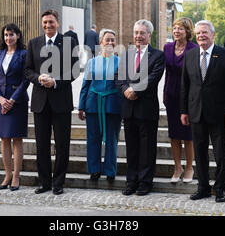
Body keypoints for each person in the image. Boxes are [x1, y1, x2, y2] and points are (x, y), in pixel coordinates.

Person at [180, 20, 225, 203]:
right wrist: (184, 111)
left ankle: (220, 188)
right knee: (200, 153)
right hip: (196, 112)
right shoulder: (189, 55)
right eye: (198, 33)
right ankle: (203, 187)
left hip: (220, 114)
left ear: (213, 35)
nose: (201, 36)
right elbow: (185, 85)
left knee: (222, 154)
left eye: (204, 32)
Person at [25, 9, 79, 195]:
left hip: (61, 100)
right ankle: (44, 182)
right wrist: (39, 78)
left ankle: (58, 183)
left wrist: (55, 82)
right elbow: (28, 70)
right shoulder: (34, 43)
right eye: (45, 22)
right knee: (41, 144)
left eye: (51, 22)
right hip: (40, 102)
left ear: (58, 23)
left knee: (62, 144)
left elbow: (74, 71)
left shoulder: (68, 42)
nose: (48, 25)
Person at [115, 20, 165, 196]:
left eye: (142, 33)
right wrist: (125, 90)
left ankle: (145, 182)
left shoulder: (158, 56)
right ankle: (131, 181)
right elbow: (118, 77)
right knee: (132, 148)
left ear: (149, 35)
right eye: (136, 33)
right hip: (128, 109)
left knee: (147, 148)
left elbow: (153, 78)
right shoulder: (126, 55)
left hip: (146, 109)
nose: (138, 36)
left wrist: (135, 90)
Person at [78, 29, 122, 182]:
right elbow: (85, 85)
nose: (110, 43)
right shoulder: (91, 62)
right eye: (107, 40)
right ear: (100, 43)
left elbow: (124, 85)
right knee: (93, 138)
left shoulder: (120, 62)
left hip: (113, 104)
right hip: (93, 104)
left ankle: (110, 170)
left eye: (112, 40)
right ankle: (94, 169)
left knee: (112, 139)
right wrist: (81, 106)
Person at [0, 23, 30, 191]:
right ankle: (7, 174)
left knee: (17, 139)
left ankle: (16, 176)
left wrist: (12, 100)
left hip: (17, 101)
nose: (8, 38)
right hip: (1, 102)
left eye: (11, 35)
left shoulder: (23, 54)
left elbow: (26, 79)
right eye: (6, 35)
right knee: (4, 139)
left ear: (18, 36)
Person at [163, 17, 198, 183]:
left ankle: (190, 167)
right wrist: (164, 93)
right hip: (171, 95)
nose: (177, 31)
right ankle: (178, 167)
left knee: (188, 135)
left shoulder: (194, 48)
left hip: (188, 96)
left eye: (180, 29)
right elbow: (167, 73)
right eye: (175, 28)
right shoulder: (167, 47)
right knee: (174, 135)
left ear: (188, 31)